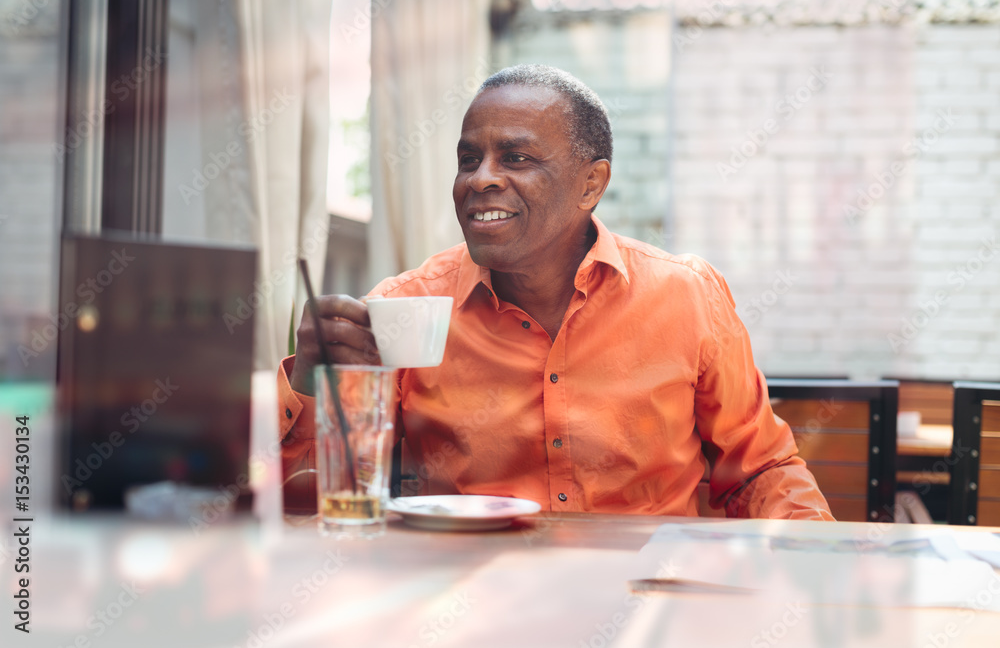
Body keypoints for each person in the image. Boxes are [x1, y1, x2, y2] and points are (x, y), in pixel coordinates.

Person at [279, 64, 833, 520]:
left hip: (644, 595)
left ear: (591, 184)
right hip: (469, 600)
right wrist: (308, 391)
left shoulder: (688, 297)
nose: (480, 180)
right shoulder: (402, 309)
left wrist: (817, 568)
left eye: (515, 158)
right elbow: (295, 493)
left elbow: (762, 471)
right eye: (468, 159)